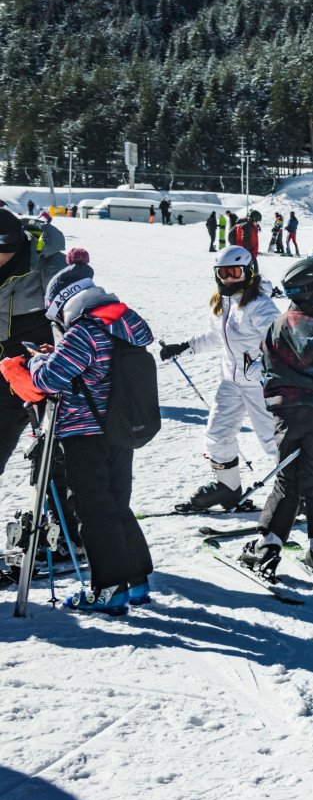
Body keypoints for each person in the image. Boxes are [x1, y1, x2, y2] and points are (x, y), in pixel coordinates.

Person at [14, 250, 155, 614]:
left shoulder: (83, 331)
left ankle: (108, 589)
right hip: (121, 429)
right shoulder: (123, 323)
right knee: (117, 504)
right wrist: (57, 352)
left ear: (65, 303)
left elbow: (48, 379)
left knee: (93, 511)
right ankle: (136, 581)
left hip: (85, 432)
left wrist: (36, 359)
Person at [237, 258, 313, 587]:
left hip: (285, 413)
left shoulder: (277, 323)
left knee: (288, 479)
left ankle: (268, 546)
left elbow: (264, 366)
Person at [157, 246, 279, 512]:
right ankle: (228, 489)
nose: (228, 279)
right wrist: (184, 346)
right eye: (222, 273)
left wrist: (260, 368)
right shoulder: (224, 302)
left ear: (248, 273)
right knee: (217, 434)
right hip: (231, 382)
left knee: (272, 440)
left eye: (234, 272)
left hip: (259, 386)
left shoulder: (260, 306)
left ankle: (297, 493)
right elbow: (216, 336)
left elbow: (280, 343)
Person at [0, 210, 67, 473]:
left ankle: (64, 509)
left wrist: (49, 364)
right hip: (4, 372)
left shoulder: (48, 265)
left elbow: (73, 323)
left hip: (39, 375)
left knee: (58, 455)